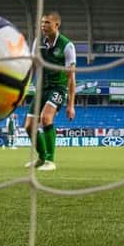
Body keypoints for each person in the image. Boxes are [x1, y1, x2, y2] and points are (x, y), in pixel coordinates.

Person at [24, 11, 76, 171]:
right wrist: (24, 89)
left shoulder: (67, 45)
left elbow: (71, 77)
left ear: (56, 25)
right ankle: (41, 158)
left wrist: (71, 105)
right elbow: (32, 67)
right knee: (28, 126)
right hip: (41, 89)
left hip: (58, 88)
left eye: (47, 23)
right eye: (42, 23)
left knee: (46, 119)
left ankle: (50, 161)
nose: (43, 26)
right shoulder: (37, 42)